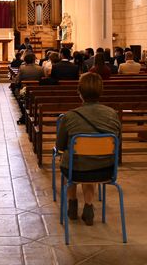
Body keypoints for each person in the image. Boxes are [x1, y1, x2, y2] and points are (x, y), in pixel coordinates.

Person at [55, 72, 121, 226]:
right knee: (93, 159)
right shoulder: (112, 114)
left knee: (71, 159)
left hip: (75, 170)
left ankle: (72, 203)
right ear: (101, 91)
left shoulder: (70, 117)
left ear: (79, 92)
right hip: (106, 170)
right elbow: (117, 141)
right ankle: (89, 206)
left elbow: (60, 146)